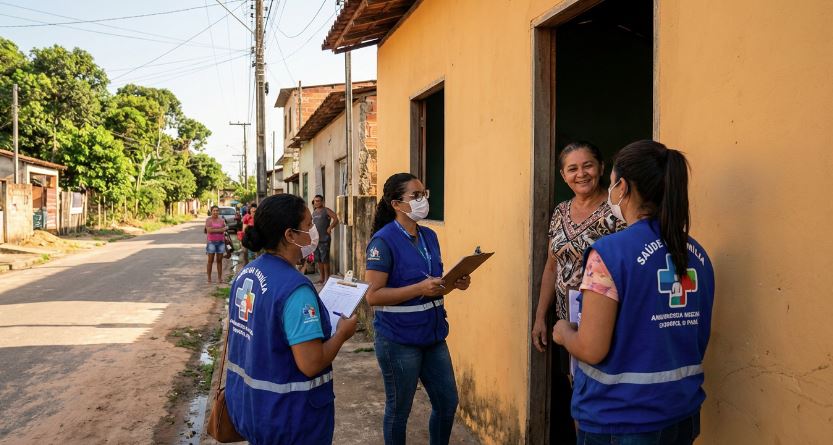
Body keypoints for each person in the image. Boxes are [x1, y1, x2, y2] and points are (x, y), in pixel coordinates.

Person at [552, 140, 715, 444]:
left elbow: (590, 348)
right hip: (682, 413)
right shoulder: (696, 253)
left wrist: (561, 331)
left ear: (622, 187)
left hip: (621, 419)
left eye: (611, 182)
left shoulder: (610, 253)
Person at [225, 194, 359, 445]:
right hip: (291, 420)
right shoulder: (295, 290)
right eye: (308, 225)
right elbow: (311, 363)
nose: (312, 232)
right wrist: (342, 333)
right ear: (290, 235)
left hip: (251, 408)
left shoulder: (247, 274)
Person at [530, 141, 626, 444]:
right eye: (573, 168)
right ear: (563, 175)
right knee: (577, 389)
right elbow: (550, 267)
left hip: (607, 318)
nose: (581, 173)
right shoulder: (560, 212)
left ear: (600, 169)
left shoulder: (617, 212)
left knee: (606, 390)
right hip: (567, 321)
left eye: (587, 165)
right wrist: (540, 318)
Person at [365, 173, 471, 445]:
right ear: (397, 204)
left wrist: (453, 283)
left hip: (433, 334)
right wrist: (419, 289)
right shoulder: (383, 241)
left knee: (447, 403)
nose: (423, 200)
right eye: (416, 196)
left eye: (425, 194)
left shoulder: (429, 236)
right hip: (398, 339)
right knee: (399, 411)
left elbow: (433, 283)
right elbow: (373, 296)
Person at [311, 194, 339, 284]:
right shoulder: (314, 212)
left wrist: (330, 227)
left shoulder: (326, 210)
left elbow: (336, 218)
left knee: (325, 260)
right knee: (318, 260)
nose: (316, 202)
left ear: (322, 202)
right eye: (315, 201)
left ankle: (327, 279)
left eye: (318, 201)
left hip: (324, 239)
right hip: (316, 240)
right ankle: (322, 278)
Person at [205, 205, 227, 283]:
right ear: (211, 211)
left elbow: (225, 229)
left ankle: (220, 278)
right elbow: (209, 230)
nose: (215, 212)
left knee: (219, 261)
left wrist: (216, 229)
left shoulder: (221, 220)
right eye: (214, 210)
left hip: (221, 242)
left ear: (218, 211)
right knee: (210, 260)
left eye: (217, 210)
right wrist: (220, 230)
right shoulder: (208, 220)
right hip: (211, 242)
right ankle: (209, 278)